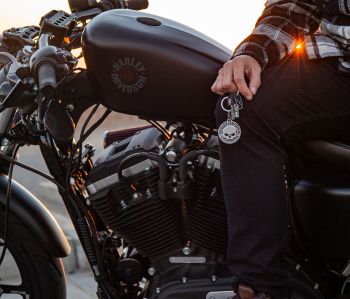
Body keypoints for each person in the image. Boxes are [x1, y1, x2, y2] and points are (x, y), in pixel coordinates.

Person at [211, 1, 350, 298]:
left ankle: (260, 282)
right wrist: (251, 52)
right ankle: (264, 286)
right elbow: (296, 7)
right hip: (339, 63)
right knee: (239, 106)